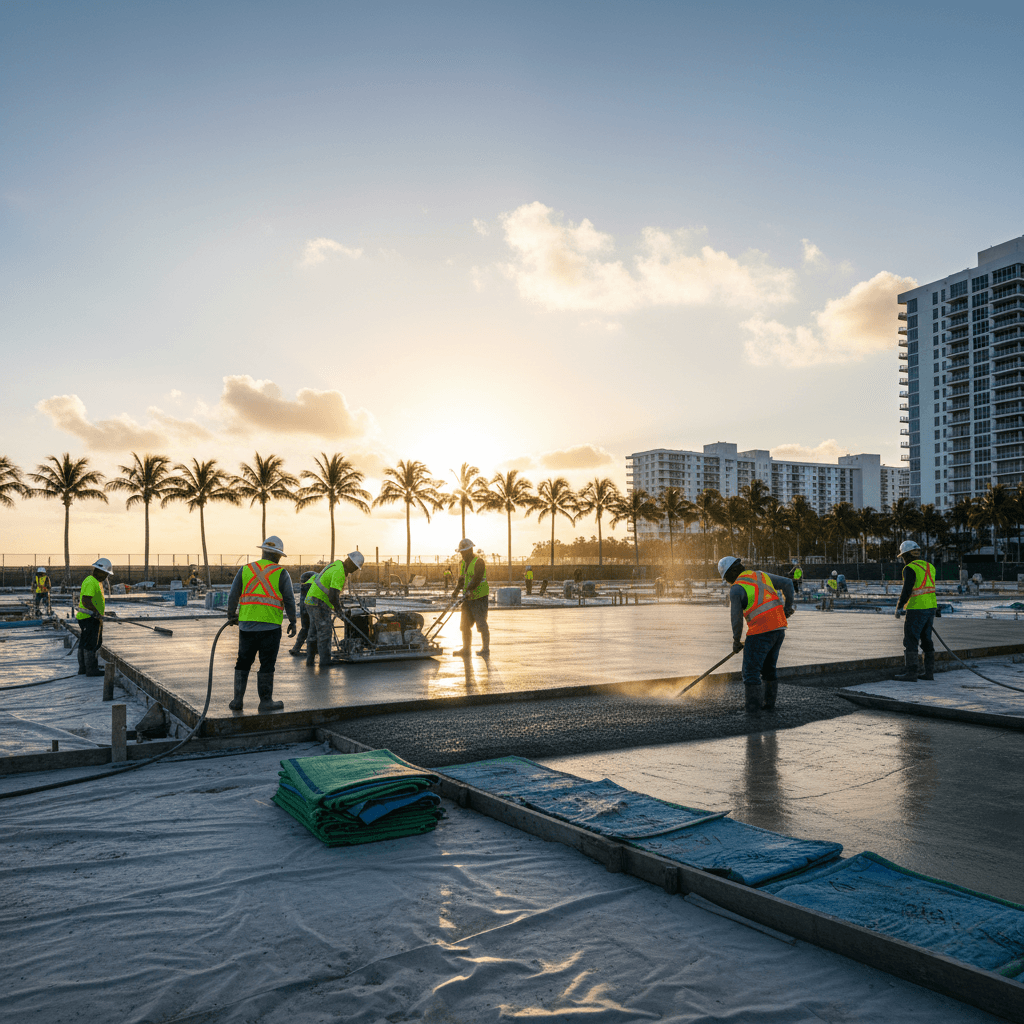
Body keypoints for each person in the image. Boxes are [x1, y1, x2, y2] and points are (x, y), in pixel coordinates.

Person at [226, 536, 297, 713]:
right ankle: (265, 702)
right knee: (266, 664)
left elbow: (233, 594)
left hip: (247, 626)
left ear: (263, 551)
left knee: (243, 661)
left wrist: (231, 615)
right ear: (279, 556)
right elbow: (289, 599)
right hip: (270, 627)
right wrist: (293, 621)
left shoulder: (246, 569)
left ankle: (237, 701)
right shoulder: (281, 573)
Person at [718, 555, 795, 716]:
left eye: (726, 578)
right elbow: (788, 583)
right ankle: (769, 706)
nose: (728, 582)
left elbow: (736, 619)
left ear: (731, 573)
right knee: (768, 668)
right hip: (779, 628)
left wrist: (736, 640)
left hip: (761, 631)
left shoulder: (737, 588)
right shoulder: (761, 575)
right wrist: (787, 609)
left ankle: (752, 711)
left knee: (751, 671)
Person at [304, 552, 365, 668]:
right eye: (355, 568)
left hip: (311, 600)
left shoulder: (335, 565)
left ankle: (310, 660)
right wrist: (339, 611)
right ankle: (325, 661)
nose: (354, 571)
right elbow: (332, 595)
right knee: (325, 632)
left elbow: (333, 593)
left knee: (313, 631)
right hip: (319, 602)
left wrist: (338, 606)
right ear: (351, 564)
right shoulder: (340, 572)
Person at [893, 540, 937, 682]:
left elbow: (907, 589)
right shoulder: (930, 566)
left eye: (903, 557)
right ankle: (928, 673)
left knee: (911, 640)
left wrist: (900, 606)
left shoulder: (910, 568)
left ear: (906, 555)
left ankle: (911, 673)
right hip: (931, 607)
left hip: (917, 608)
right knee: (926, 640)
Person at [76, 558, 114, 677]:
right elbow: (86, 600)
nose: (106, 577)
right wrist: (95, 612)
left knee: (85, 643)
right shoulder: (90, 581)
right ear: (100, 571)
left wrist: (101, 613)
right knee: (90, 644)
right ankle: (91, 669)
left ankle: (84, 668)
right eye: (106, 574)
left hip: (93, 618)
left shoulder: (97, 581)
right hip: (89, 618)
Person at [452, 538, 489, 656]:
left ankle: (485, 649)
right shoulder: (463, 563)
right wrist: (456, 591)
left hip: (479, 598)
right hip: (468, 599)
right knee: (464, 625)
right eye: (461, 552)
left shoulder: (479, 562)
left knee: (481, 624)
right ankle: (466, 649)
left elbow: (477, 578)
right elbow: (462, 579)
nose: (462, 554)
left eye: (463, 552)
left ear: (470, 550)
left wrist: (469, 590)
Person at [288, 571, 317, 656]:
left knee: (305, 628)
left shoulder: (304, 588)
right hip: (309, 607)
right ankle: (313, 648)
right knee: (312, 628)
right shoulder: (311, 588)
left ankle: (297, 648)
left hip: (304, 607)